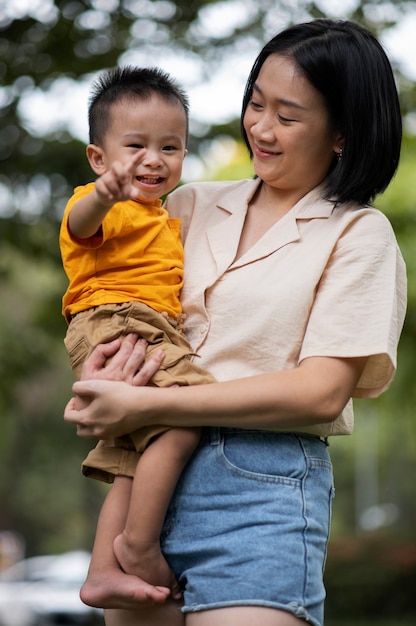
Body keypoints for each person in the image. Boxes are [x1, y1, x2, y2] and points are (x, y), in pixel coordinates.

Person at [64, 18, 407, 626]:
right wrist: (103, 377)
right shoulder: (190, 203)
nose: (260, 128)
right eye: (255, 103)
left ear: (342, 134)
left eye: (287, 114)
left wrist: (149, 409)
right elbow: (118, 293)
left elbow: (321, 391)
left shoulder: (358, 234)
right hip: (146, 485)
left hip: (261, 493)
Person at [59, 66, 214, 597]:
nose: (154, 158)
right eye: (136, 145)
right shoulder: (112, 204)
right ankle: (142, 545)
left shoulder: (163, 214)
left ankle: (102, 570)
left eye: (170, 147)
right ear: (99, 159)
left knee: (133, 454)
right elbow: (82, 222)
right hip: (120, 321)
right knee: (188, 417)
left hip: (140, 325)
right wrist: (105, 193)